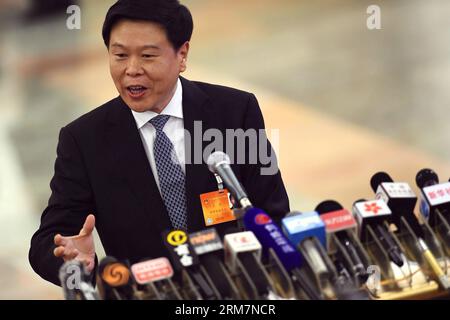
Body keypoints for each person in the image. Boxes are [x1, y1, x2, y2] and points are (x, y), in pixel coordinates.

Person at [29, 0, 289, 287]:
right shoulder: (84, 140)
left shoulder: (235, 112)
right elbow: (47, 242)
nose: (131, 69)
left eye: (148, 56)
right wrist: (72, 263)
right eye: (119, 55)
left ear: (182, 54)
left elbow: (274, 214)